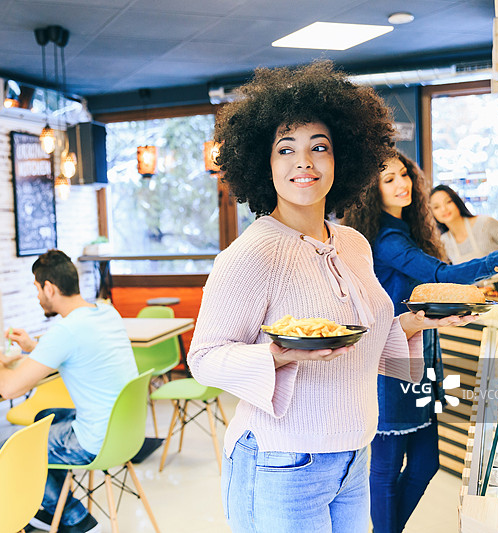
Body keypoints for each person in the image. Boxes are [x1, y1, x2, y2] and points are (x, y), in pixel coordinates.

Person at [187, 61, 475, 533]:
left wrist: (416, 322)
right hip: (281, 461)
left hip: (354, 451)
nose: (305, 162)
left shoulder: (352, 243)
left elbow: (362, 340)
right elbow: (204, 358)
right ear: (264, 163)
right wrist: (277, 355)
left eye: (319, 147)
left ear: (342, 159)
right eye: (286, 149)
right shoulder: (250, 254)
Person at [343, 152, 498, 533]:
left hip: (421, 361)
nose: (402, 183)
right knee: (387, 469)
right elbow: (442, 273)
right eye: (389, 179)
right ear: (372, 190)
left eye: (404, 175)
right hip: (390, 365)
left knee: (426, 464)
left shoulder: (404, 230)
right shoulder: (386, 238)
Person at [0, 249, 138, 533]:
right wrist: (34, 348)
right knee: (46, 416)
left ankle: (74, 518)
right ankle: (51, 507)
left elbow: (9, 388)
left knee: (7, 451)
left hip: (94, 441)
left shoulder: (65, 331)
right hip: (125, 430)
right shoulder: (106, 311)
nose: (37, 297)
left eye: (37, 288)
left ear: (50, 288)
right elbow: (79, 349)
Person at [430, 184, 498, 264]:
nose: (444, 209)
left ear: (457, 201)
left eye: (448, 202)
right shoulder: (444, 242)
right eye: (436, 207)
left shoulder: (485, 223)